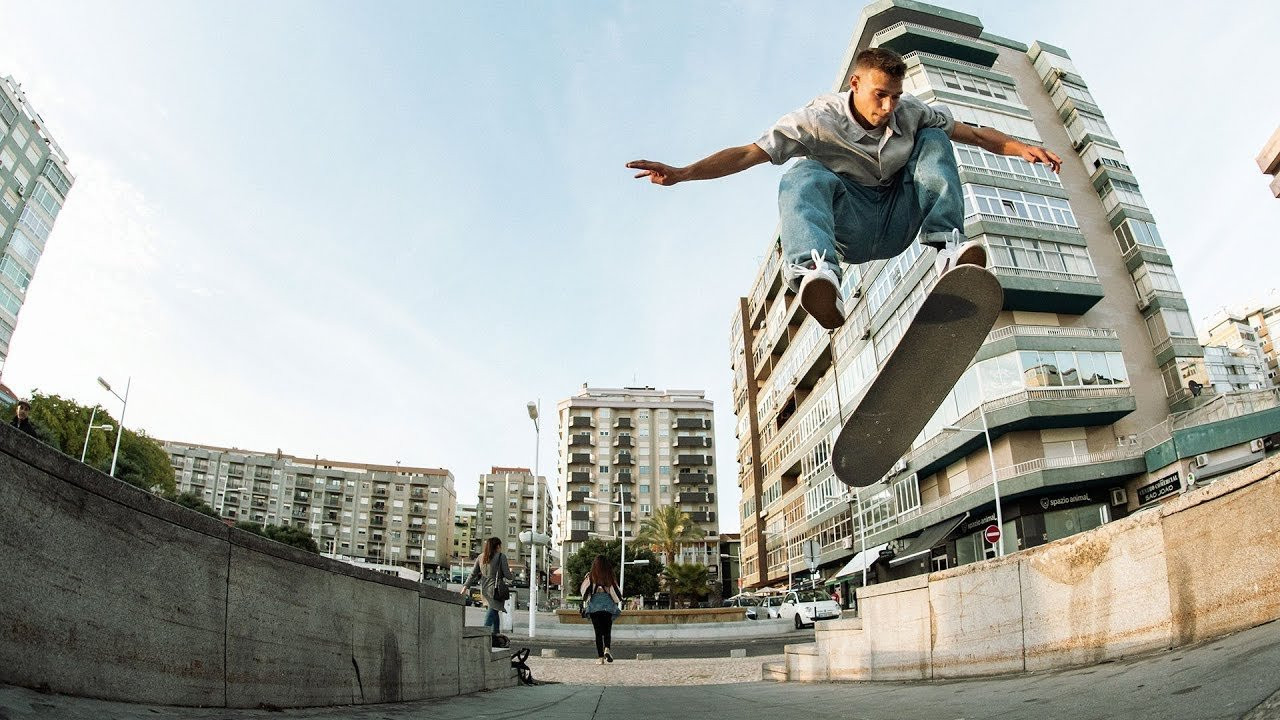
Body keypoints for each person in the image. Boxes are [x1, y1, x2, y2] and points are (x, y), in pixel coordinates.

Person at [628, 47, 1062, 331]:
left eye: (895, 96)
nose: (888, 107)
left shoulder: (910, 112)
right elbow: (747, 154)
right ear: (855, 84)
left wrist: (1021, 148)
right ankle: (817, 275)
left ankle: (947, 247)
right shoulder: (816, 120)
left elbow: (975, 134)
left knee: (935, 137)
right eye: (880, 95)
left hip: (899, 218)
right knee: (802, 174)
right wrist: (683, 173)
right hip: (850, 226)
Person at [461, 537, 513, 644]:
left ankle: (496, 636)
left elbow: (473, 574)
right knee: (491, 613)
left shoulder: (481, 557)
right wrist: (512, 573)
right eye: (500, 546)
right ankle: (482, 636)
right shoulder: (501, 556)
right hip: (496, 590)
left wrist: (465, 586)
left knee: (494, 612)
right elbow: (508, 575)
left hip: (485, 589)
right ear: (497, 546)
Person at [579, 554, 623, 664]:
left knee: (598, 633)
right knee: (607, 631)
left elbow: (584, 591)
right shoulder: (609, 577)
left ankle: (600, 658)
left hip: (595, 607)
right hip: (608, 606)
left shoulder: (591, 576)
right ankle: (607, 649)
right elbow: (616, 593)